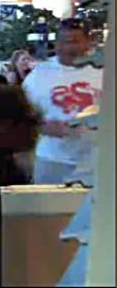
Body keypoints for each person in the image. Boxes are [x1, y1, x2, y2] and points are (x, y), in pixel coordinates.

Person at [23, 18, 103, 184]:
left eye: (74, 41)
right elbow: (20, 117)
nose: (67, 47)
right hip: (53, 160)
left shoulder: (103, 71)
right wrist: (43, 127)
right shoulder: (39, 75)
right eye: (62, 41)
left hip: (98, 160)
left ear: (88, 42)